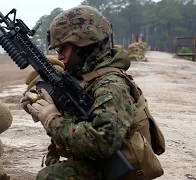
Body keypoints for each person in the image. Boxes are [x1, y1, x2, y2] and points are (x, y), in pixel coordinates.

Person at [20, 5, 165, 180]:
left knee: (50, 178)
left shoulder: (111, 85)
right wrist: (40, 105)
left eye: (62, 49)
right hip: (102, 160)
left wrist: (52, 119)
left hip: (119, 170)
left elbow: (102, 142)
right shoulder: (86, 76)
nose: (59, 57)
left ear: (85, 45)